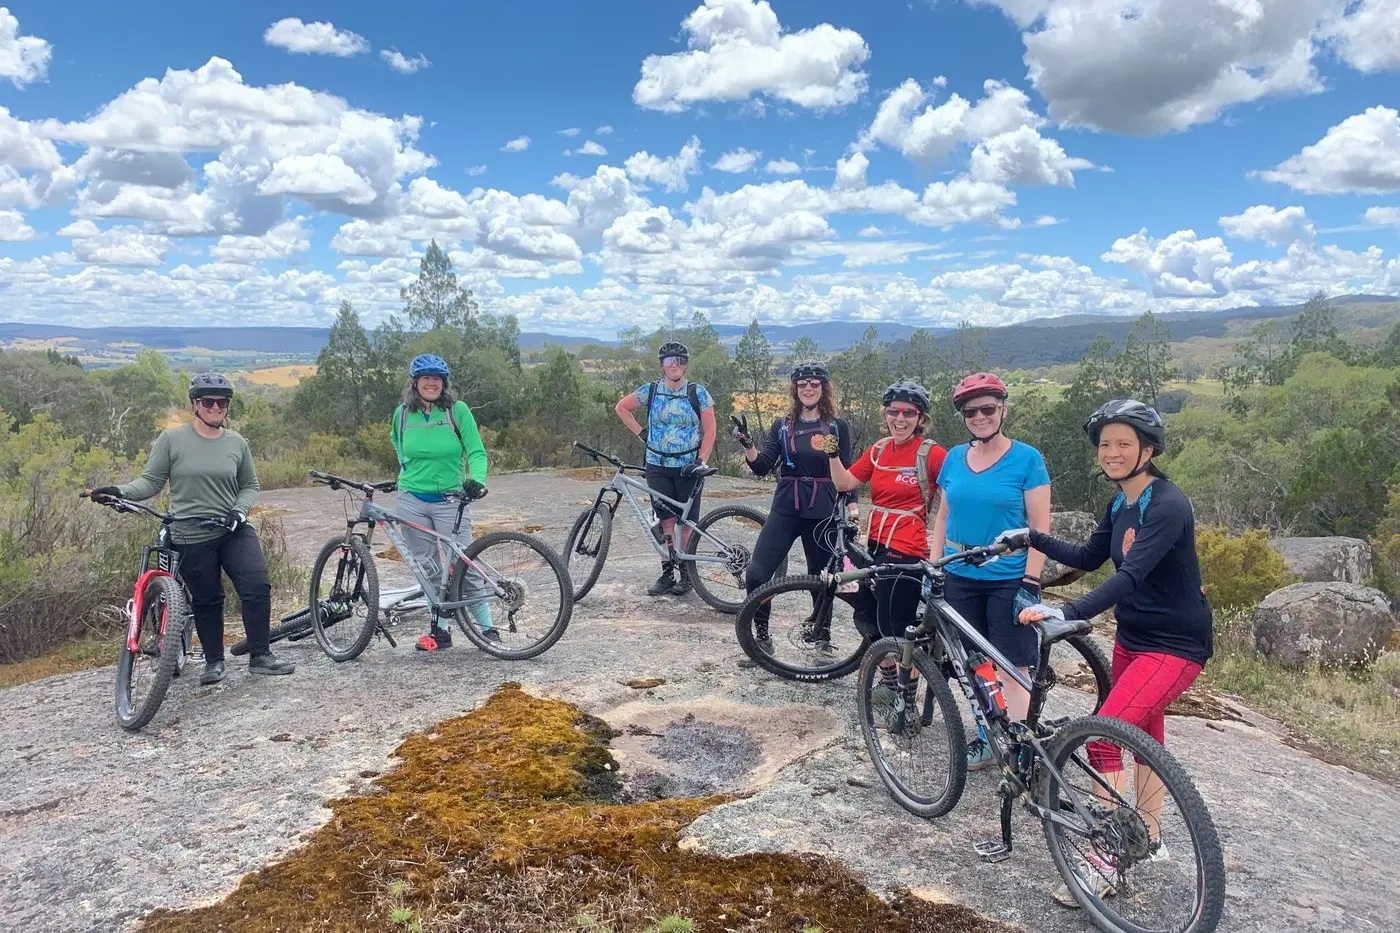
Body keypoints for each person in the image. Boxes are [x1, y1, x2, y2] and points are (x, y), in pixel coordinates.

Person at [1004, 399, 1213, 906]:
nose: (1112, 453)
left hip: (1176, 644)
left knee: (1101, 734)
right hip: (1134, 639)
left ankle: (1107, 857)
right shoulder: (1121, 503)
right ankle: (1148, 833)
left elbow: (1130, 574)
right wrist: (1031, 537)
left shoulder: (1166, 504)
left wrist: (1068, 610)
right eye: (1105, 444)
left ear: (1149, 449)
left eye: (1123, 443)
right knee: (1143, 735)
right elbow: (1093, 556)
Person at [87, 373, 294, 684]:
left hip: (231, 529)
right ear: (195, 404)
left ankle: (261, 656)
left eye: (221, 402)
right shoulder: (172, 440)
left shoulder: (237, 442)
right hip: (189, 533)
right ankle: (214, 662)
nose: (215, 407)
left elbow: (250, 484)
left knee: (257, 586)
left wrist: (239, 511)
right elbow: (151, 482)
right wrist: (119, 491)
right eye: (208, 401)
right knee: (207, 599)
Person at [930, 372, 1050, 770]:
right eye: (971, 411)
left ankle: (1022, 748)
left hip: (1008, 577)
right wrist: (934, 567)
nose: (979, 416)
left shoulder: (1027, 460)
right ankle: (988, 738)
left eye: (987, 408)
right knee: (974, 662)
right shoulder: (953, 459)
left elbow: (1040, 531)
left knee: (1013, 665)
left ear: (1002, 410)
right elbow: (943, 517)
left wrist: (1030, 583)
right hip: (960, 574)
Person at [824, 381, 947, 711]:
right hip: (876, 542)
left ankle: (906, 697)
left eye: (909, 412)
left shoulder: (931, 454)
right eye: (894, 412)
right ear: (886, 414)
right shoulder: (879, 450)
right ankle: (892, 682)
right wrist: (833, 455)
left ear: (920, 417)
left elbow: (955, 492)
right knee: (866, 613)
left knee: (896, 624)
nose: (900, 418)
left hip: (908, 548)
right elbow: (845, 482)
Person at [732, 360, 858, 657]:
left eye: (815, 384)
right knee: (757, 574)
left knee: (821, 578)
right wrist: (748, 445)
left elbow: (850, 474)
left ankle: (821, 638)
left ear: (824, 388)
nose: (808, 388)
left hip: (823, 508)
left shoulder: (838, 427)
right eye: (803, 384)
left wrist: (853, 510)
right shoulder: (782, 425)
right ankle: (762, 637)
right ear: (795, 389)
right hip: (786, 506)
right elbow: (762, 466)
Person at [390, 354, 491, 652]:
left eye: (437, 379)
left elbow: (476, 451)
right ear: (415, 383)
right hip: (411, 501)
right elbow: (398, 445)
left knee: (465, 564)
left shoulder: (457, 411)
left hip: (450, 499)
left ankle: (487, 629)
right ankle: (440, 631)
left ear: (444, 384)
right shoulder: (402, 415)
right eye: (425, 378)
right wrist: (408, 473)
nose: (431, 383)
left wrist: (478, 480)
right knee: (427, 566)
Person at [614, 340, 716, 597]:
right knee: (665, 519)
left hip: (687, 466)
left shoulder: (697, 392)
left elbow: (711, 429)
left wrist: (701, 460)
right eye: (669, 362)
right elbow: (622, 407)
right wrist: (643, 434)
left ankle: (687, 573)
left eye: (679, 361)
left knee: (688, 521)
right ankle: (668, 570)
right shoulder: (651, 391)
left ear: (686, 365)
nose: (674, 366)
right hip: (657, 465)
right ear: (662, 365)